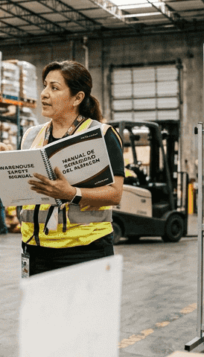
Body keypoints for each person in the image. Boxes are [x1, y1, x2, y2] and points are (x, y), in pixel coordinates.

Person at [16, 61, 124, 276]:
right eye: (45, 85)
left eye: (54, 88)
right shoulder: (31, 136)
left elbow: (115, 194)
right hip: (35, 249)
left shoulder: (101, 135)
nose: (44, 94)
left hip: (85, 250)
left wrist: (72, 194)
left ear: (77, 98)